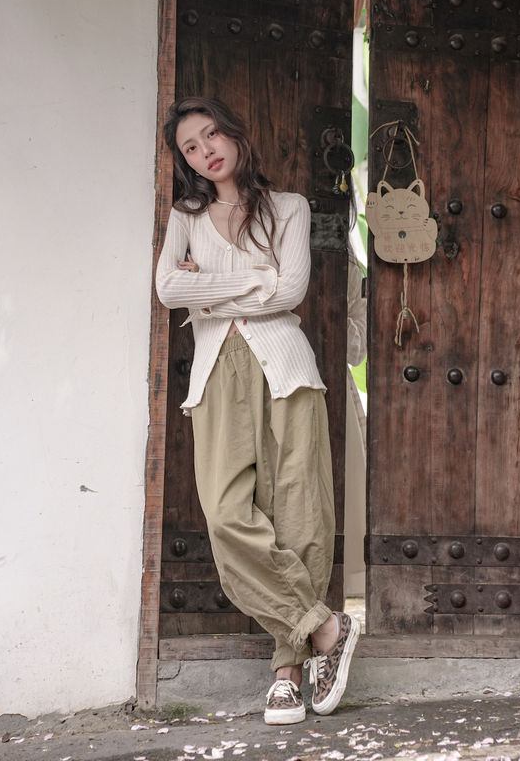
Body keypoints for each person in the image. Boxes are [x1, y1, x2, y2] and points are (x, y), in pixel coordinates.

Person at [156, 96, 360, 725]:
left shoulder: (289, 207)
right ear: (186, 161)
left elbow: (291, 290)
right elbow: (168, 288)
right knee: (226, 515)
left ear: (234, 134)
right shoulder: (185, 217)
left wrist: (207, 293)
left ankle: (287, 671)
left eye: (211, 135)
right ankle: (325, 629)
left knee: (298, 514)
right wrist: (255, 280)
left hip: (286, 368)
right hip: (217, 375)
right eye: (191, 147)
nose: (205, 151)